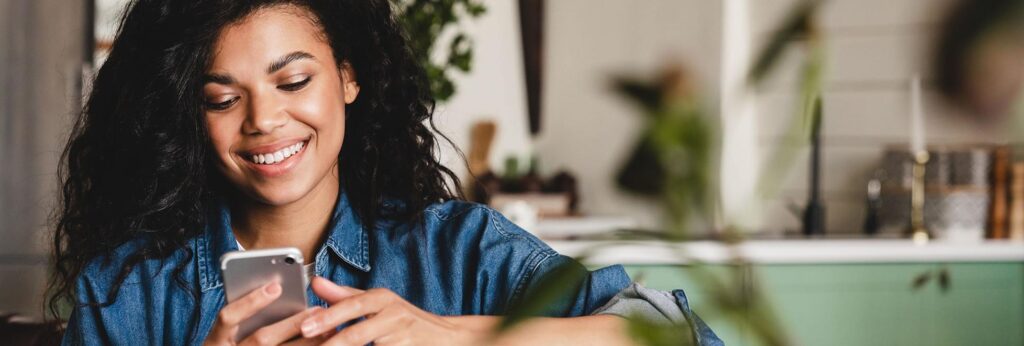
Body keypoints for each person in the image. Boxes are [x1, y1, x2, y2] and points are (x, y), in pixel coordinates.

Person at [50, 0, 722, 345]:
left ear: (348, 76)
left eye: (293, 80)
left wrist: (450, 334)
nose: (263, 120)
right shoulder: (126, 294)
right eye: (222, 99)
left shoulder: (459, 255)